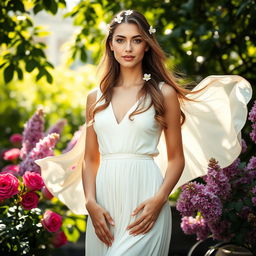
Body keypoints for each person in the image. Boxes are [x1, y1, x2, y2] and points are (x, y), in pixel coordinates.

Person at [35, 9, 252, 256]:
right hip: (104, 205)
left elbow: (176, 159)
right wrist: (91, 203)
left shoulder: (163, 94)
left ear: (147, 45)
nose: (128, 48)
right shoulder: (95, 98)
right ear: (111, 45)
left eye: (136, 40)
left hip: (146, 200)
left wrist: (160, 199)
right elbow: (90, 159)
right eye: (121, 40)